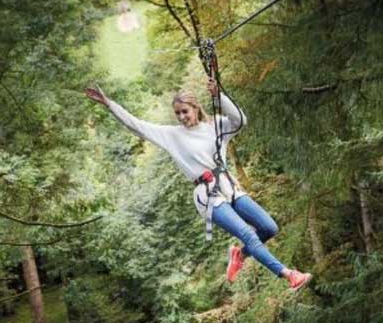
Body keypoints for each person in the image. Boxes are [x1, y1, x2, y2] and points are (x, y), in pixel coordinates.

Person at [84, 81, 312, 291]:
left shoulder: (216, 126)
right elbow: (138, 126)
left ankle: (239, 255)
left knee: (269, 228)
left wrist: (219, 96)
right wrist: (109, 104)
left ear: (196, 108)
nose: (182, 117)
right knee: (248, 235)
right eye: (178, 113)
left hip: (229, 187)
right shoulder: (172, 135)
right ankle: (289, 275)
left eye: (185, 111)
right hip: (208, 196)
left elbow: (241, 121)